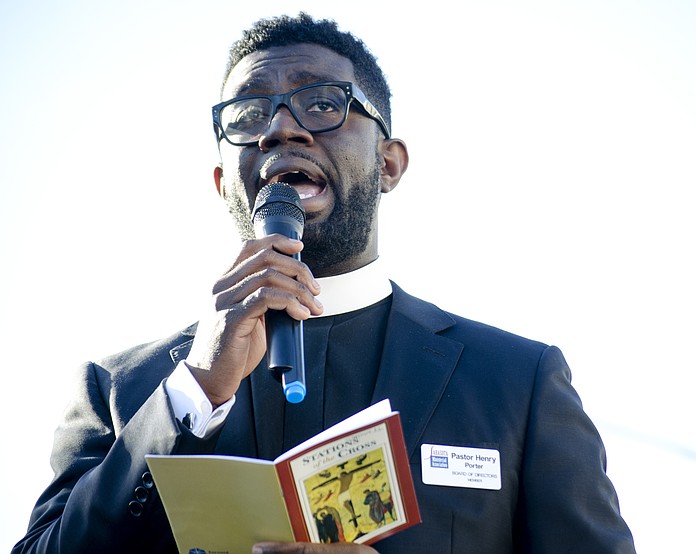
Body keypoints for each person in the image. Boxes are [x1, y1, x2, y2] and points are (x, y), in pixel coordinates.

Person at [13, 13, 636, 554]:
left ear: (389, 164)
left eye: (322, 103)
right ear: (222, 181)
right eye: (251, 113)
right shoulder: (122, 392)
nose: (282, 128)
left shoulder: (514, 384)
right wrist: (196, 390)